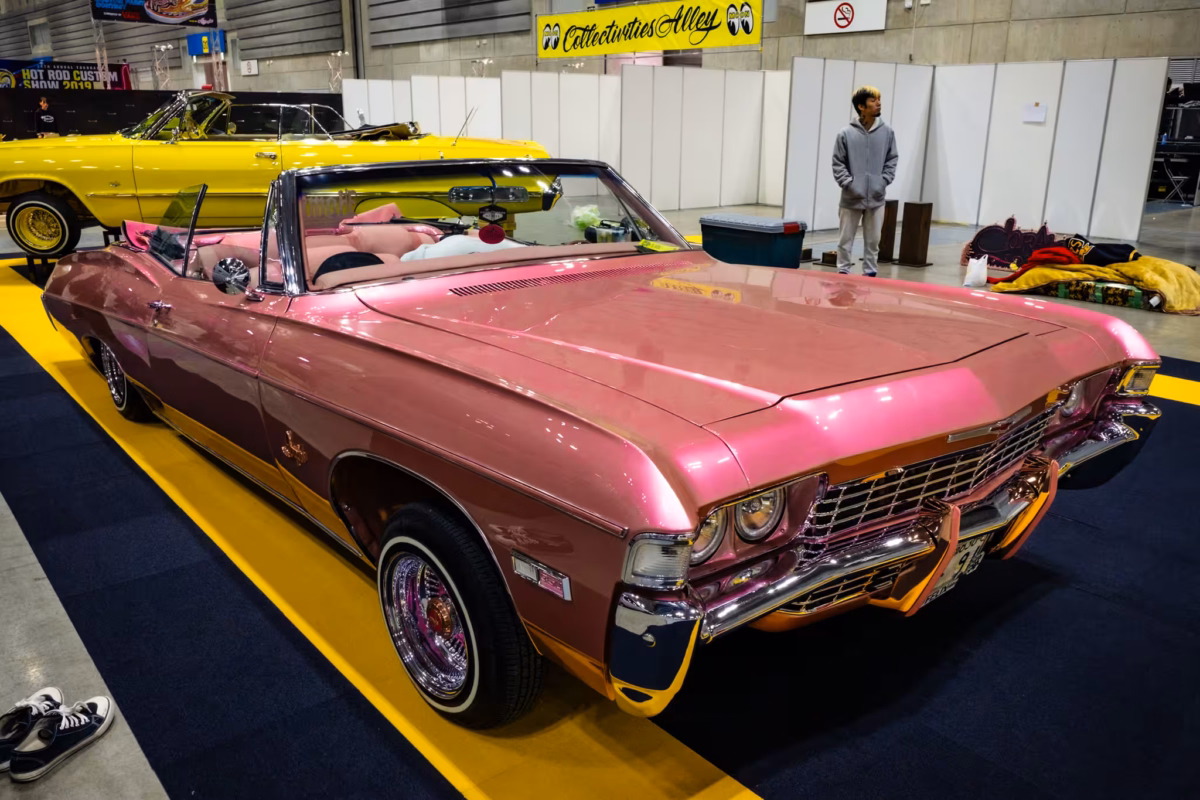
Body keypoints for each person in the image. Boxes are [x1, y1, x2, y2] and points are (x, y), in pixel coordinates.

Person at [831, 85, 898, 277]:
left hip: (876, 197)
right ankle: (843, 272)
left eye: (879, 100)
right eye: (873, 100)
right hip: (851, 197)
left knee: (873, 241)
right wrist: (848, 183)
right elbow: (838, 162)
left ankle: (870, 273)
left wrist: (883, 181)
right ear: (861, 106)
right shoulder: (845, 133)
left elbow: (892, 159)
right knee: (845, 240)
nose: (878, 103)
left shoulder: (887, 132)